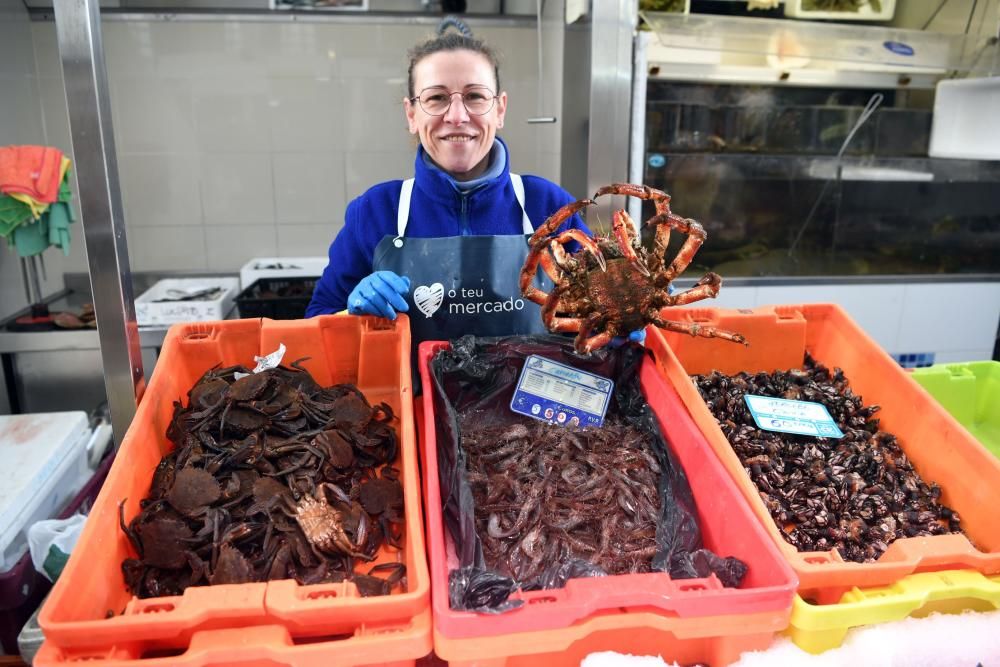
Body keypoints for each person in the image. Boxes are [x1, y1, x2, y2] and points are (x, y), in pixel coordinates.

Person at [305, 28, 594, 345]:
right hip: (408, 381)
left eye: (475, 96)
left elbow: (598, 321)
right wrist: (350, 315)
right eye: (437, 98)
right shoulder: (375, 211)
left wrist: (620, 323)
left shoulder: (549, 206)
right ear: (411, 114)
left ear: (499, 109)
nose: (457, 116)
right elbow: (317, 328)